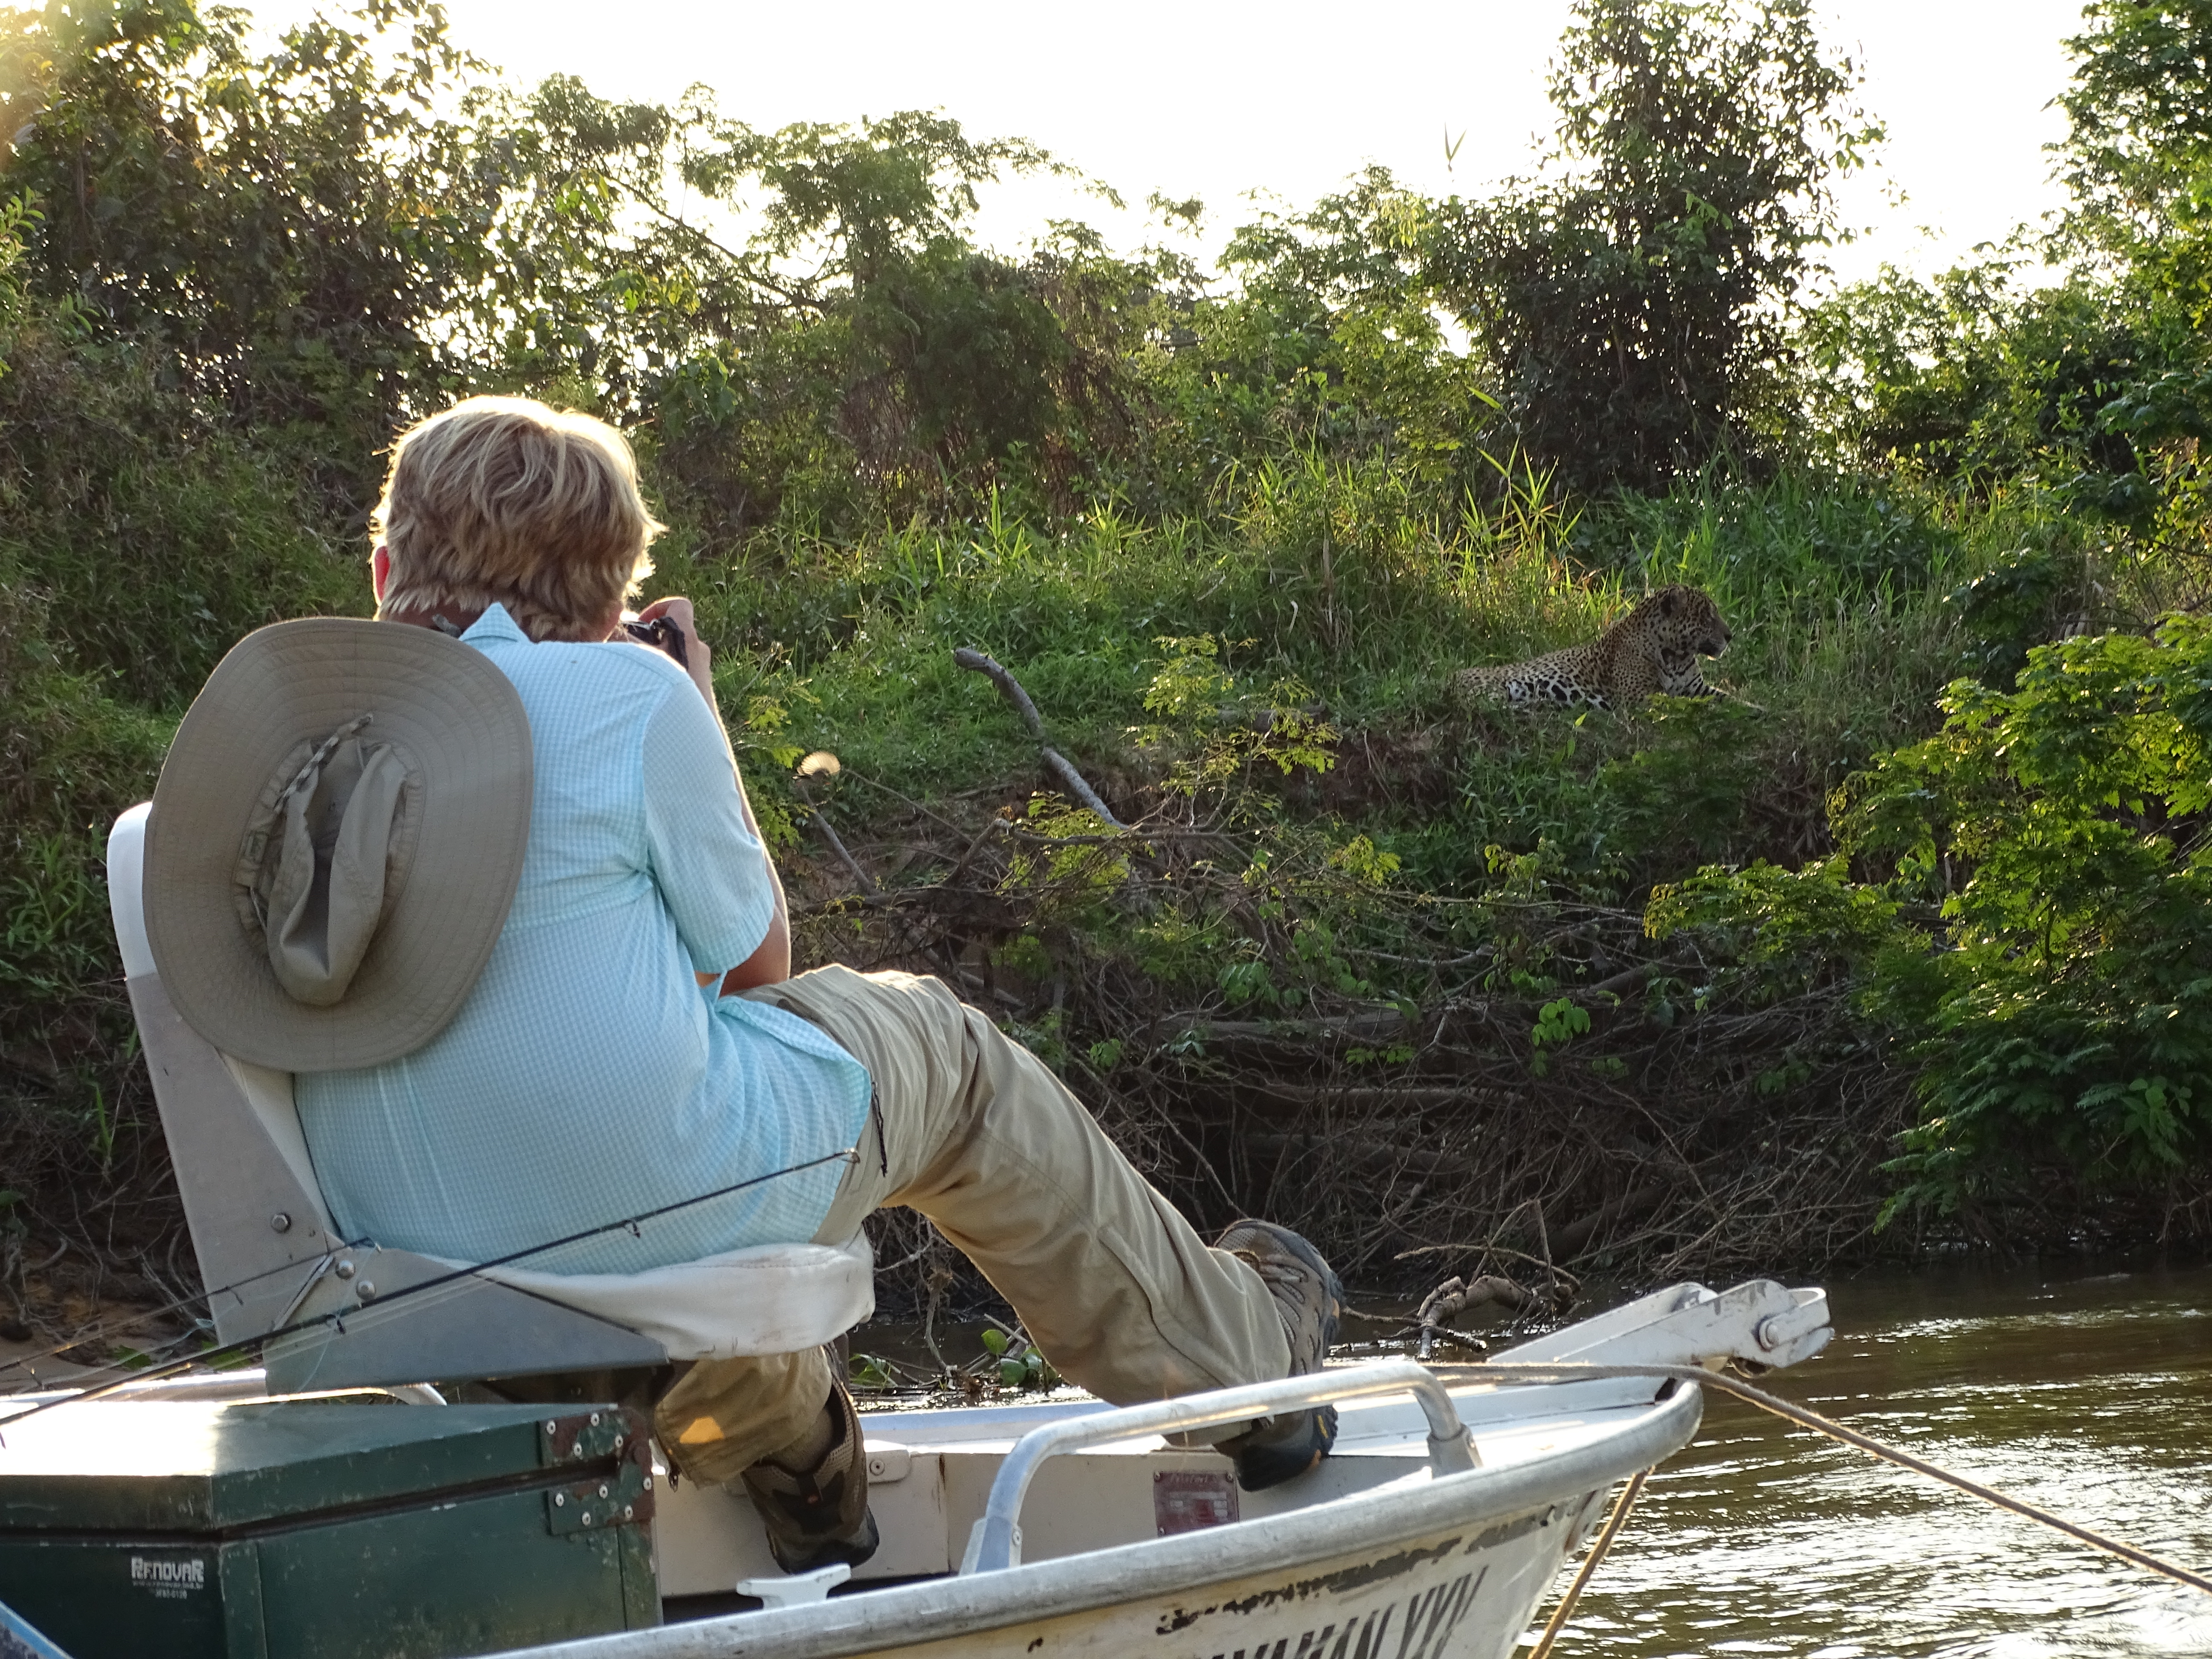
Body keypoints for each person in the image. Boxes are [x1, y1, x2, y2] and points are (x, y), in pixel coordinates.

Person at [294, 395, 1342, 1571]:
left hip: (382, 1249)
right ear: (608, 601)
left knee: (645, 1199)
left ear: (385, 566)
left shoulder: (278, 762)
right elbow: (754, 967)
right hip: (648, 1200)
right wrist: (689, 699)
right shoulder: (629, 698)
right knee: (949, 1057)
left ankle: (801, 1455)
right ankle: (1254, 1366)